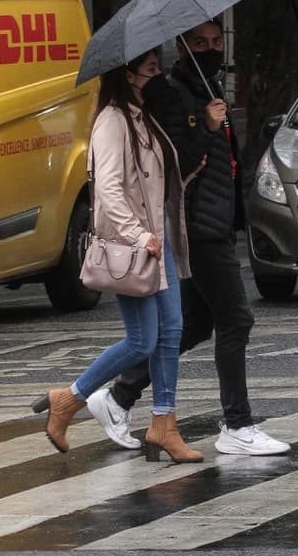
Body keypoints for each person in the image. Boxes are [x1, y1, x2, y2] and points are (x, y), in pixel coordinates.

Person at [86, 18, 291, 456]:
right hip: (195, 226)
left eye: (217, 41)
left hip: (214, 221)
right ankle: (236, 424)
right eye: (200, 42)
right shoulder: (172, 95)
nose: (211, 49)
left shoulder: (208, 88)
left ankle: (119, 395)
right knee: (235, 319)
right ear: (182, 47)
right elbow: (176, 162)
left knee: (195, 323)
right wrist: (208, 126)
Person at [31, 47, 202, 464]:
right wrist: (139, 234)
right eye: (148, 66)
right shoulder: (112, 120)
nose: (155, 71)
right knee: (143, 339)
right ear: (124, 72)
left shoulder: (143, 116)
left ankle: (165, 424)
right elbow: (107, 189)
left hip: (158, 239)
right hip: (136, 245)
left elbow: (154, 178)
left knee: (170, 332)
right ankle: (69, 400)